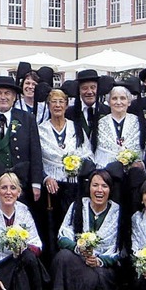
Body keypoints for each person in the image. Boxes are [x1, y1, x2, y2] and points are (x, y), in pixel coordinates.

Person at [50, 169, 121, 290]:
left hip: (103, 265)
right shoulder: (78, 206)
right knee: (62, 256)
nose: (99, 190)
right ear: (89, 188)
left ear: (110, 189)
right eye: (95, 185)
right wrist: (79, 249)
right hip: (79, 258)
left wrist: (99, 260)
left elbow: (119, 250)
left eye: (104, 186)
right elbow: (62, 236)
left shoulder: (118, 212)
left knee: (92, 278)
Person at [39, 89, 93, 259]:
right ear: (48, 105)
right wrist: (46, 177)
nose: (57, 105)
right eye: (53, 101)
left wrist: (78, 165)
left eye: (61, 101)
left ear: (66, 104)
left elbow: (88, 153)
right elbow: (35, 160)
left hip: (74, 186)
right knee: (52, 226)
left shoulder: (75, 127)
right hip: (51, 188)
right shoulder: (41, 130)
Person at [0, 76, 43, 207]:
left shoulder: (27, 119)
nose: (3, 97)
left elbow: (35, 152)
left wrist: (36, 183)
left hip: (21, 182)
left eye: (7, 93)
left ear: (14, 97)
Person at [94, 84, 146, 168]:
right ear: (108, 102)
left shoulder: (139, 122)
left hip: (132, 172)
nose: (118, 102)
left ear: (129, 102)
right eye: (114, 98)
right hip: (107, 171)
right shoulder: (100, 124)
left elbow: (144, 148)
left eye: (122, 98)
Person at [65, 69, 111, 140]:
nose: (89, 92)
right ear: (79, 90)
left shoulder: (108, 111)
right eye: (84, 88)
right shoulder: (68, 113)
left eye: (93, 87)